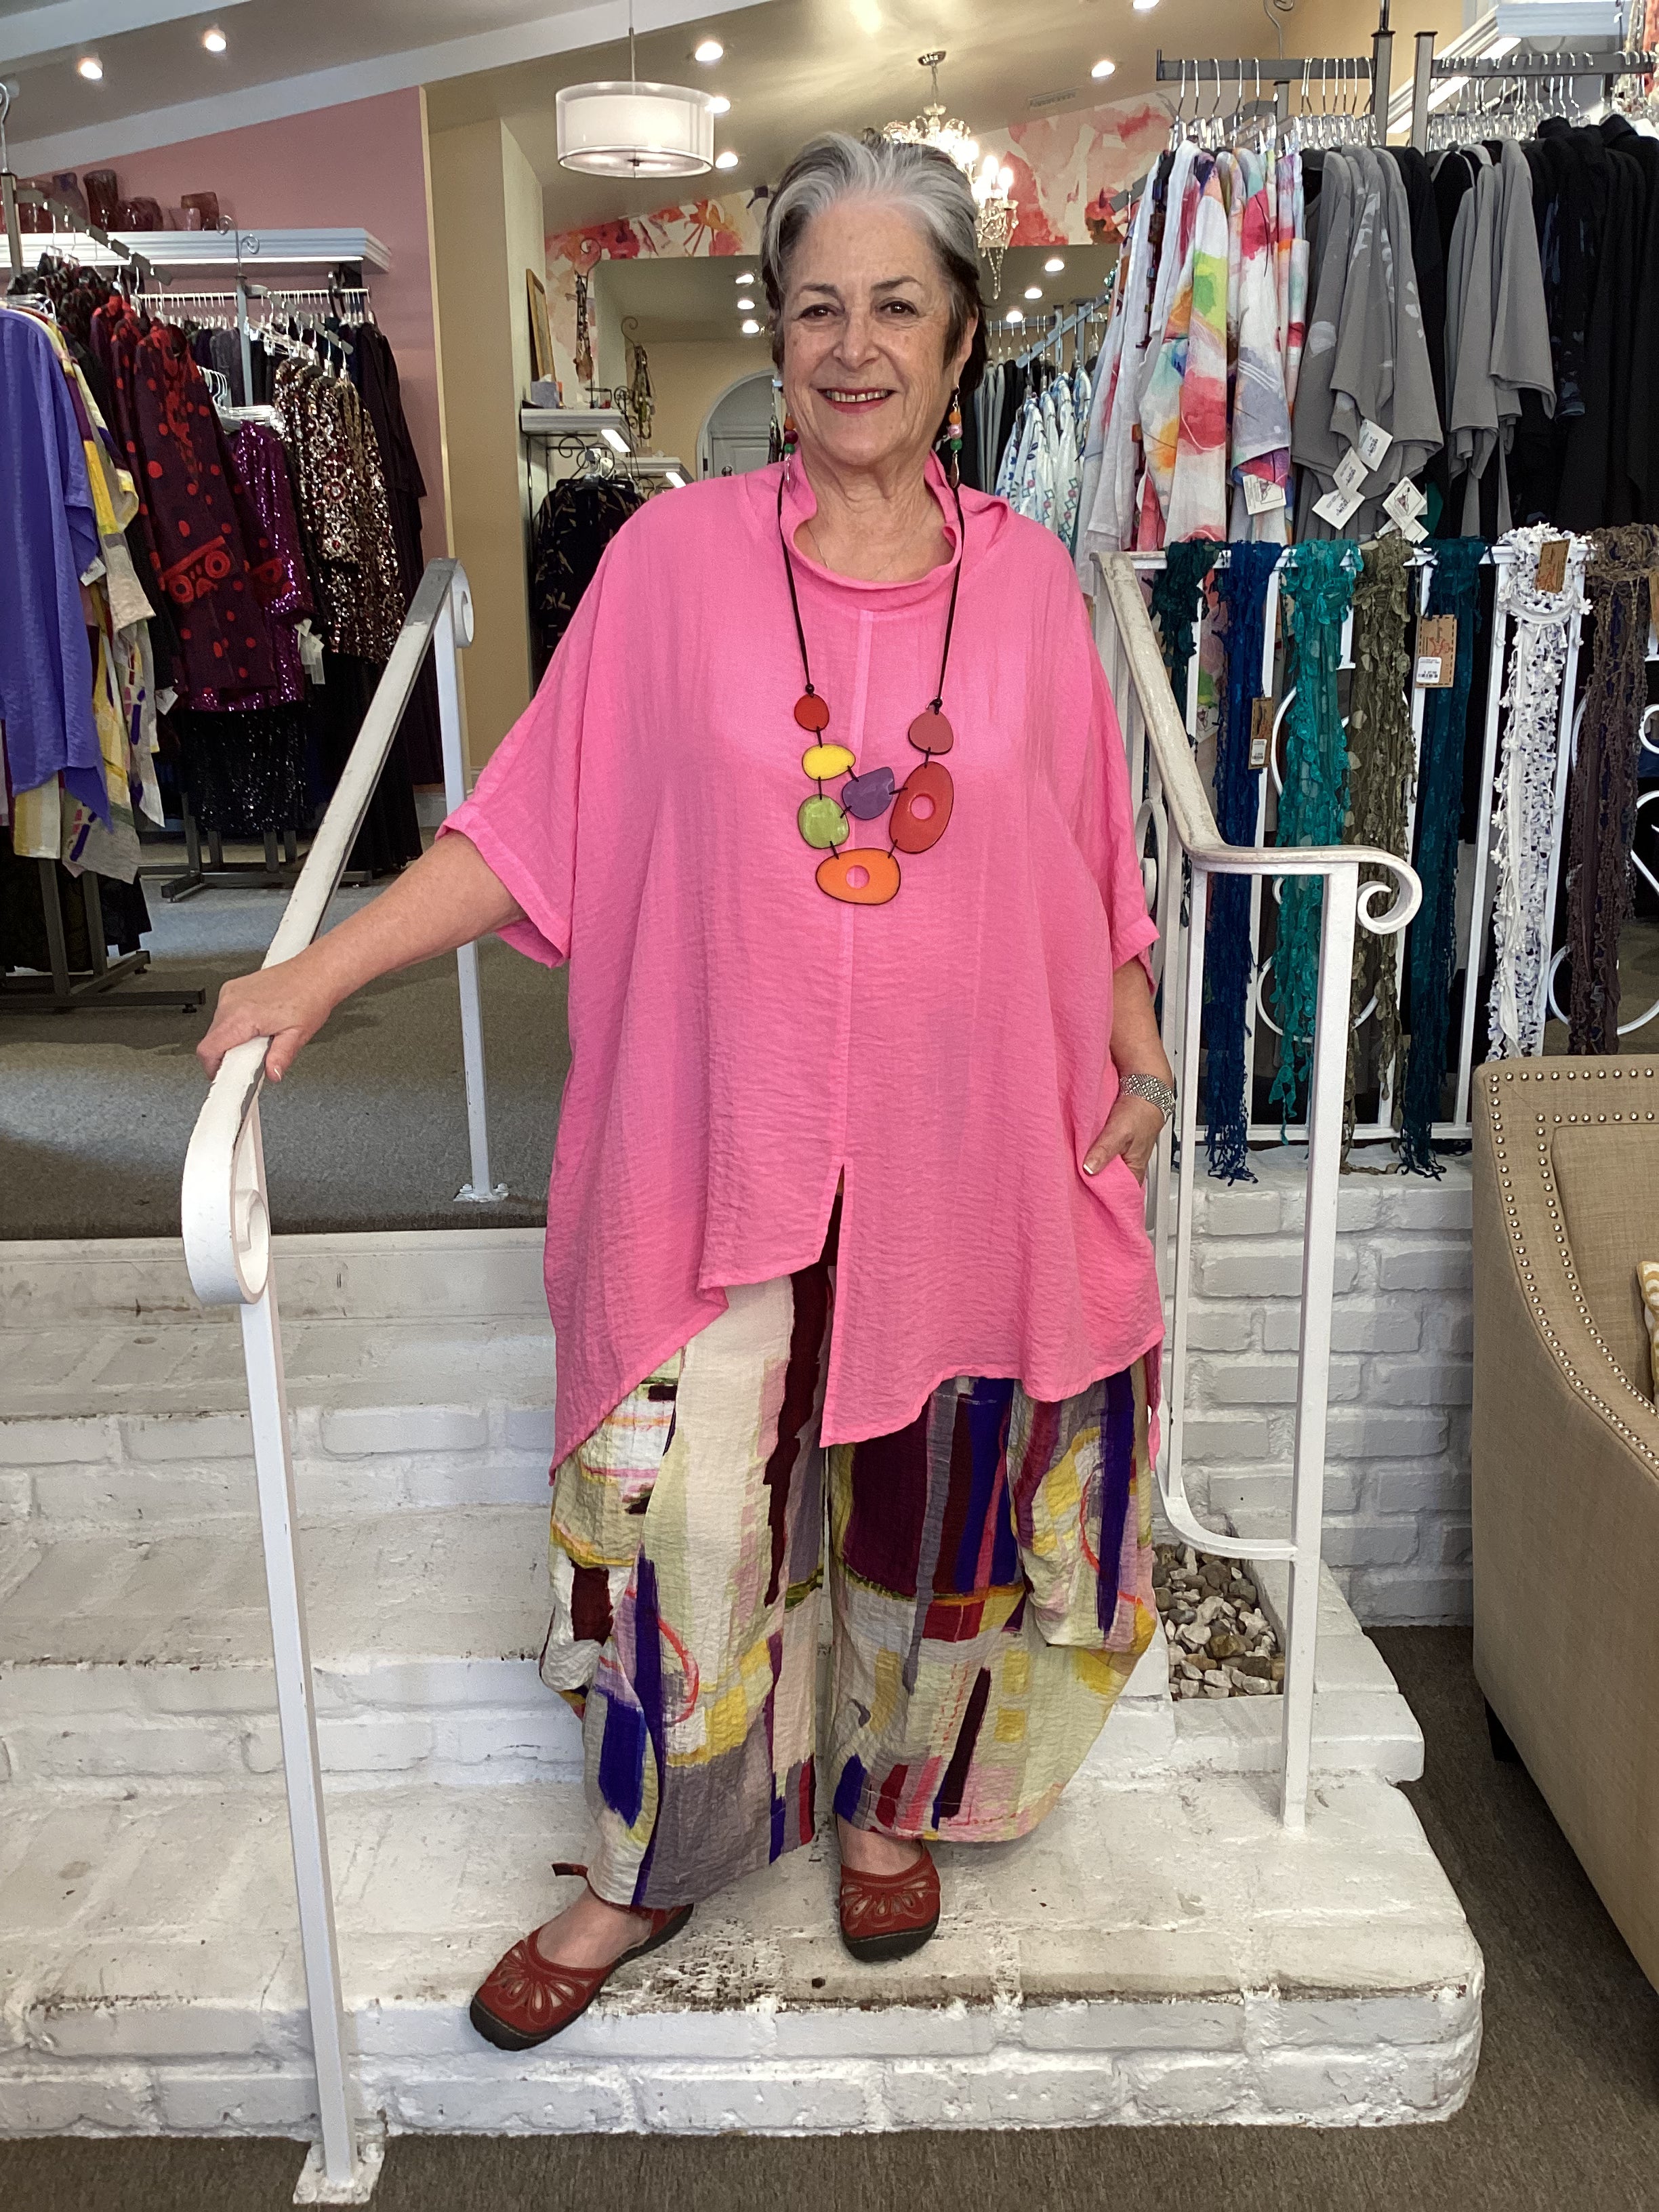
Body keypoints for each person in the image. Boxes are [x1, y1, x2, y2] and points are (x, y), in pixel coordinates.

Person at [197, 129, 1176, 2053]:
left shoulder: (1033, 586)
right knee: (686, 1517)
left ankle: (889, 1801)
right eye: (817, 308)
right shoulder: (665, 566)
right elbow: (526, 825)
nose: (854, 346)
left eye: (896, 307)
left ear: (961, 341)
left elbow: (1088, 857)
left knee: (934, 1501)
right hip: (722, 1137)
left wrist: (1135, 1044)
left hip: (971, 1145)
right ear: (779, 337)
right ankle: (647, 1861)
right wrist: (320, 969)